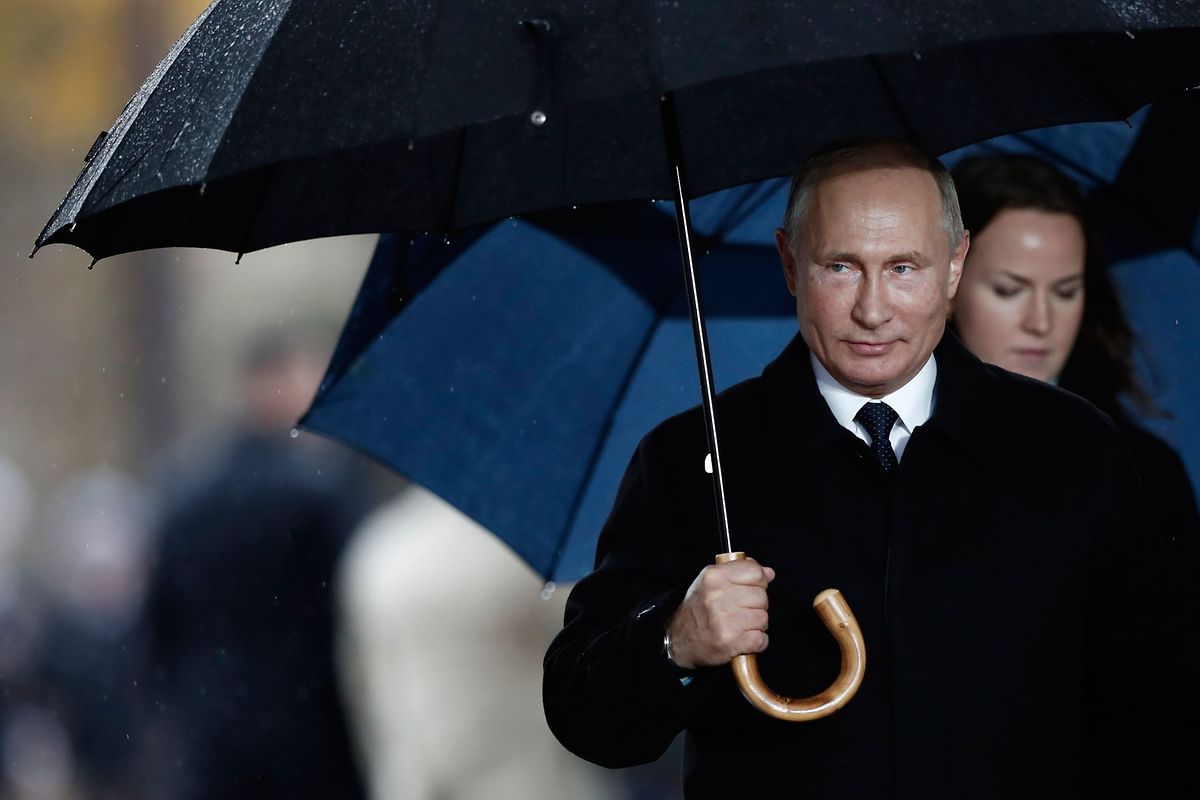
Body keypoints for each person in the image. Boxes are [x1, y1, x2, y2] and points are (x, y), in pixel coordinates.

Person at [542, 139, 1200, 798]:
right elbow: (586, 718)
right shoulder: (690, 457)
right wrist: (673, 642)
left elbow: (1157, 709)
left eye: (905, 268)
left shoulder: (1072, 446)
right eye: (840, 267)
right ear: (790, 264)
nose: (873, 310)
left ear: (954, 266)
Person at [949, 154, 1200, 623]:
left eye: (1065, 292)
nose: (1041, 323)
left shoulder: (1143, 470)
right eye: (1009, 290)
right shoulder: (883, 448)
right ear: (946, 287)